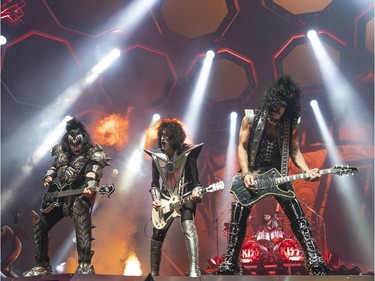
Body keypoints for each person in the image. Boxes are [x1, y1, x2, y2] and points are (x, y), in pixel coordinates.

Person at [217, 75, 329, 275]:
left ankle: (313, 259)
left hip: (278, 176)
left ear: (287, 107)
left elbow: (294, 151)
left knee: (297, 215)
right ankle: (231, 262)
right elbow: (242, 147)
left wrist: (306, 171)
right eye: (274, 109)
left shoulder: (290, 123)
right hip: (254, 174)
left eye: (281, 109)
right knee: (239, 215)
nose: (277, 113)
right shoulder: (250, 118)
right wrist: (246, 174)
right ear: (269, 103)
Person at [23, 118, 110, 276]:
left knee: (79, 211)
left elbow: (92, 171)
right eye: (72, 144)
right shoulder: (62, 153)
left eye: (78, 143)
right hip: (60, 197)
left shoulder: (93, 153)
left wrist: (90, 185)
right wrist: (49, 176)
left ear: (83, 140)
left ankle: (84, 264)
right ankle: (42, 265)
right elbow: (54, 167)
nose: (75, 147)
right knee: (40, 222)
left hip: (80, 196)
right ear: (68, 142)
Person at [144, 118, 203, 277]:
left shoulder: (187, 153)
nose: (163, 138)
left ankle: (193, 270)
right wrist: (156, 199)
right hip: (165, 200)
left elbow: (196, 180)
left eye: (167, 136)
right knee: (157, 236)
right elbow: (154, 183)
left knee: (188, 226)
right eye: (162, 135)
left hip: (186, 196)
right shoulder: (157, 156)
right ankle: (154, 274)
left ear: (174, 138)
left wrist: (197, 191)